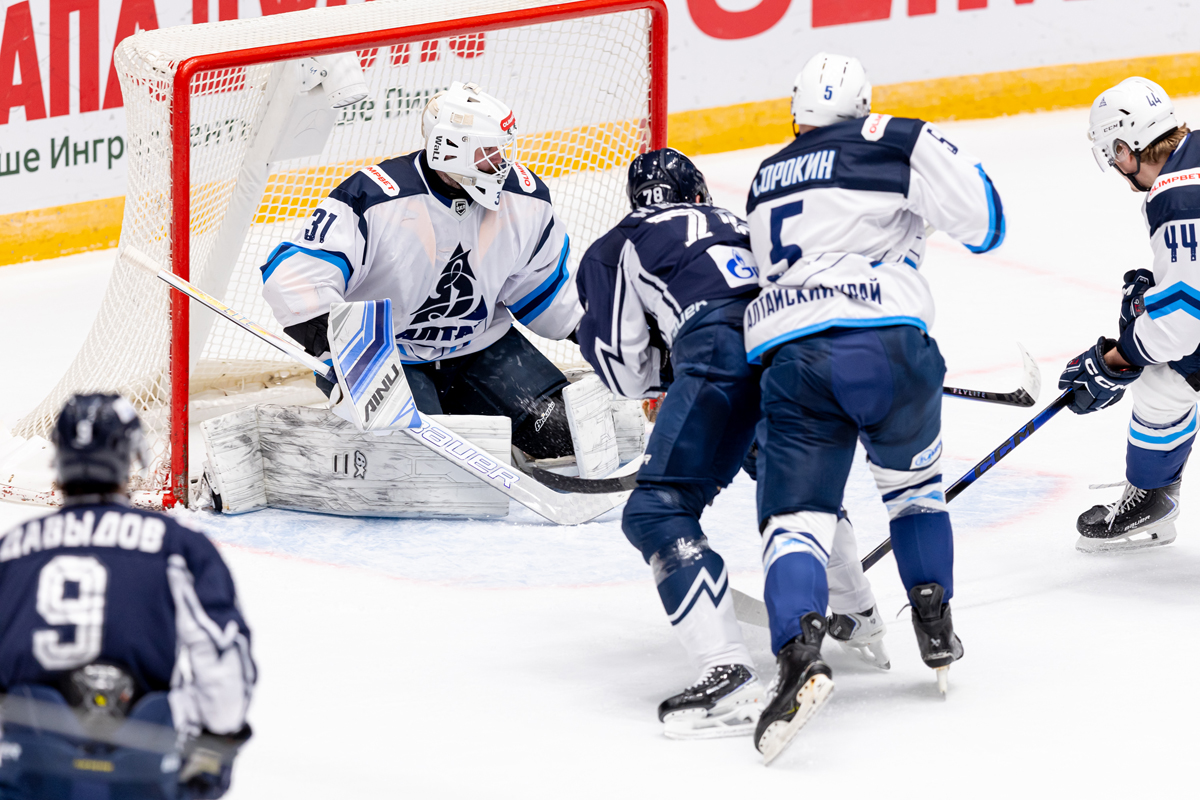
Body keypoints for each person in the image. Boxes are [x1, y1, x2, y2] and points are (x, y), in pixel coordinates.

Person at [741, 53, 1005, 762]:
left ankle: (799, 656)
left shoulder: (764, 176)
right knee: (915, 492)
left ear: (795, 114)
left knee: (796, 522)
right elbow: (987, 223)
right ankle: (934, 621)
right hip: (892, 348)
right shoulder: (894, 137)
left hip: (795, 358)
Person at [575, 148, 888, 741]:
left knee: (656, 510)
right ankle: (859, 612)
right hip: (804, 348)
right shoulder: (744, 223)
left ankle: (728, 674)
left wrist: (674, 367)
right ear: (698, 194)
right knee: (791, 488)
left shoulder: (619, 242)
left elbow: (625, 371)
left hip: (718, 351)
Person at [260, 81, 581, 460]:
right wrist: (344, 349)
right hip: (386, 358)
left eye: (501, 150)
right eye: (488, 151)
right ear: (451, 147)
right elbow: (296, 279)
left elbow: (543, 289)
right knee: (426, 462)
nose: (501, 162)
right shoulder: (374, 197)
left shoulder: (522, 198)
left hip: (480, 347)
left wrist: (600, 333)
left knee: (562, 437)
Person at [0, 394, 255, 799]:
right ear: (132, 455)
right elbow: (223, 660)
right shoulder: (179, 548)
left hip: (29, 772)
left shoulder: (12, 551)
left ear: (59, 458)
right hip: (145, 773)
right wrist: (213, 751)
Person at [1058, 77, 1196, 553]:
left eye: (1113, 155)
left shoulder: (1177, 197)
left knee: (1161, 376)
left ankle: (1153, 497)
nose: (1117, 167)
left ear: (1125, 147)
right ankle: (1154, 497)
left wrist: (1115, 360)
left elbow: (1181, 326)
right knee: (1153, 338)